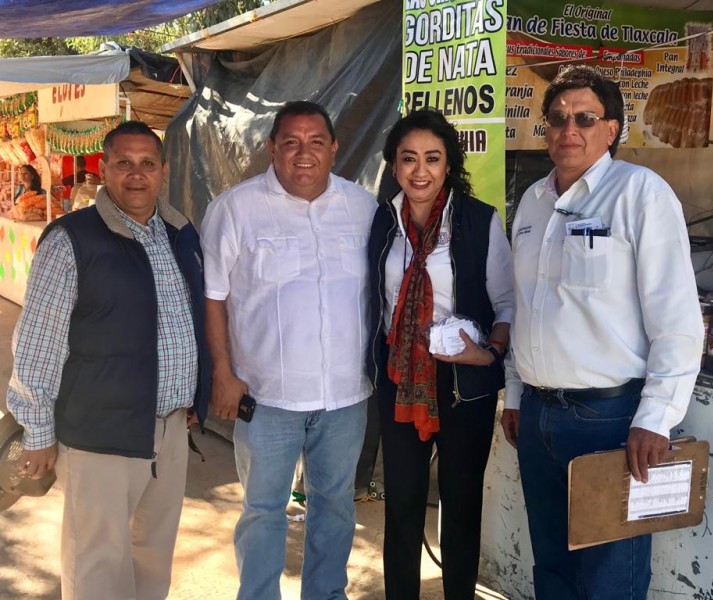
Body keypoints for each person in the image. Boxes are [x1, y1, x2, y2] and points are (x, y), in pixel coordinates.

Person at [501, 65, 704, 600]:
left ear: (611, 129)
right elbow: (525, 308)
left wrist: (656, 417)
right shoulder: (532, 203)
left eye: (585, 118)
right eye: (558, 119)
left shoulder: (639, 194)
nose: (569, 130)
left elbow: (678, 318)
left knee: (610, 579)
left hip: (609, 421)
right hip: (538, 417)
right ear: (545, 129)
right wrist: (517, 395)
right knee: (552, 568)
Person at [6, 120, 211, 600]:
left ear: (163, 170)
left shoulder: (178, 232)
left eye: (147, 164)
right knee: (97, 563)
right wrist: (37, 433)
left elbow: (193, 320)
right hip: (100, 434)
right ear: (103, 169)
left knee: (152, 557)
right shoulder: (71, 240)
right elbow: (38, 342)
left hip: (168, 429)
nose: (136, 175)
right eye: (123, 163)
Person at [201, 100, 376, 600]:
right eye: (291, 143)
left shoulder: (361, 208)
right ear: (271, 148)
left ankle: (326, 594)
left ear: (334, 148)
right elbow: (213, 297)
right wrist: (222, 372)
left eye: (316, 142)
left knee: (336, 505)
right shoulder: (235, 208)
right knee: (262, 509)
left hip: (345, 394)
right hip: (266, 395)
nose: (304, 153)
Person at [367, 109, 513, 599]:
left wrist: (488, 353)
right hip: (400, 382)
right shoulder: (382, 222)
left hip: (461, 387)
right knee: (402, 504)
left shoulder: (479, 222)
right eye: (408, 159)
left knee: (461, 504)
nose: (420, 170)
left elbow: (508, 302)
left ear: (449, 165)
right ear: (393, 165)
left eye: (433, 158)